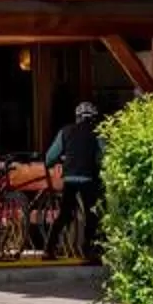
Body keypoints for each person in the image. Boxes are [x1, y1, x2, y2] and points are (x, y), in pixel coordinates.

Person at [45, 102, 103, 260]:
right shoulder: (98, 133)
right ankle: (88, 249)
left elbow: (50, 156)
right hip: (89, 178)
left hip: (69, 178)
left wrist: (54, 162)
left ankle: (49, 249)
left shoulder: (65, 131)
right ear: (93, 118)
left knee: (64, 214)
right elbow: (103, 156)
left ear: (77, 117)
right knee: (92, 214)